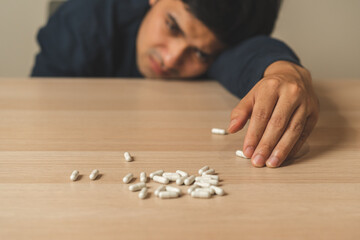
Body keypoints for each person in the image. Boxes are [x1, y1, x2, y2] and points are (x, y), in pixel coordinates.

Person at [32, 0, 319, 168]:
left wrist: (284, 70)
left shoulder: (224, 49)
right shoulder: (81, 22)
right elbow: (41, 109)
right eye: (172, 26)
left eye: (199, 53)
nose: (170, 59)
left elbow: (247, 53)